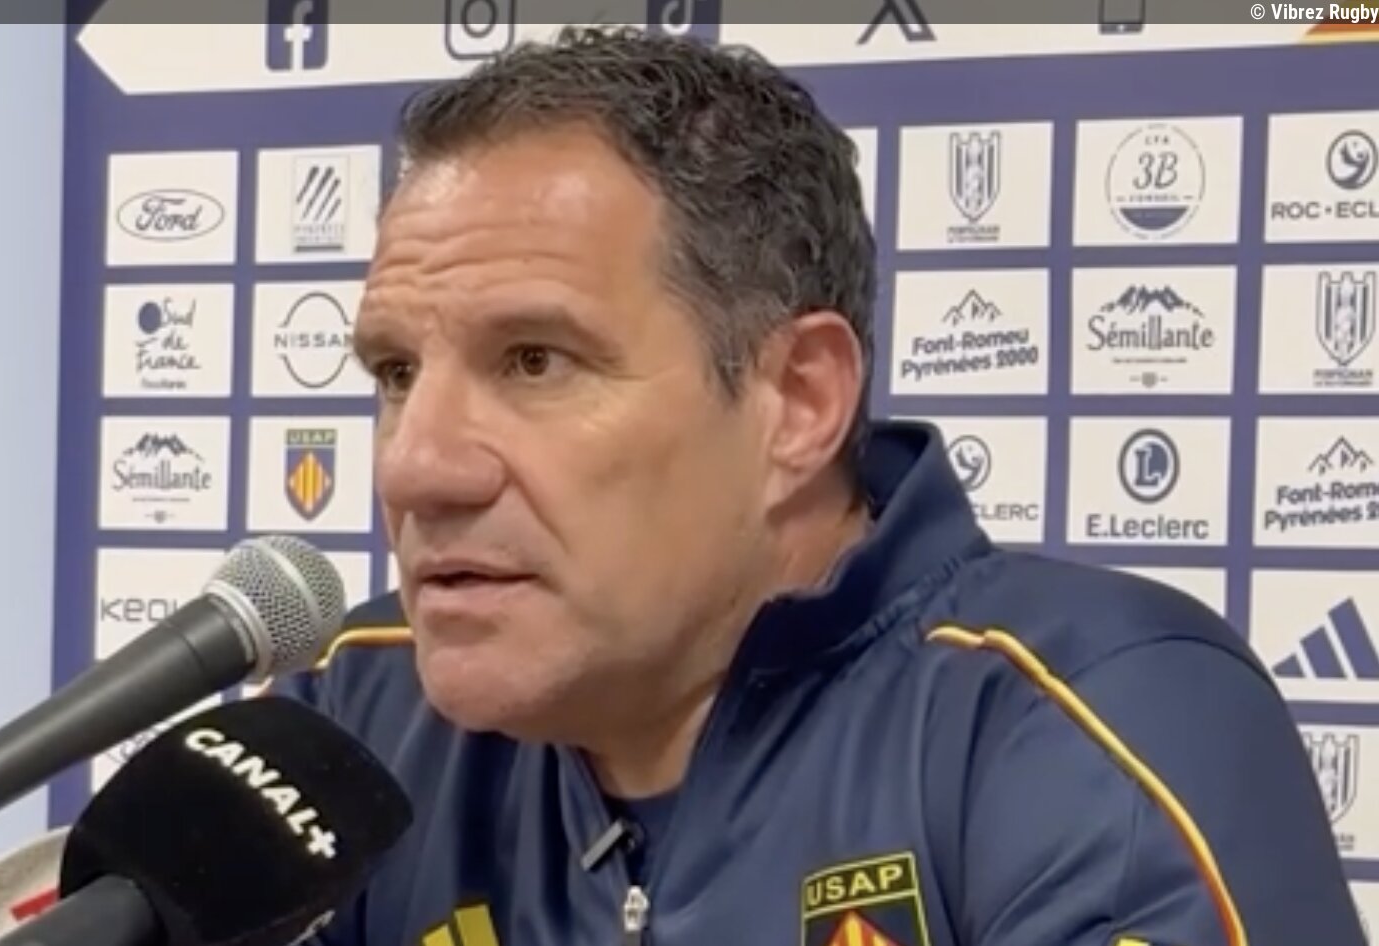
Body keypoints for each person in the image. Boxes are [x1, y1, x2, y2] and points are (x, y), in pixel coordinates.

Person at [270, 25, 1364, 946]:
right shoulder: (354, 716)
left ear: (796, 402)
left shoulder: (1087, 714)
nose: (415, 464)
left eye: (534, 361)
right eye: (396, 373)